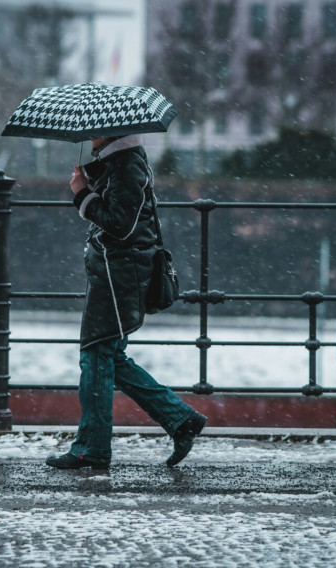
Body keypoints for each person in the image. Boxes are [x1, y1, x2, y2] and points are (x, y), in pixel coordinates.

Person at [45, 134, 207, 470]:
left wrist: (82, 194)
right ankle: (179, 420)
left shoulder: (126, 164)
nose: (89, 135)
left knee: (96, 354)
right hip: (115, 270)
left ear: (111, 131)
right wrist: (91, 181)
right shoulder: (120, 162)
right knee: (106, 356)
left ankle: (93, 448)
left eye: (94, 130)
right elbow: (120, 213)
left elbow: (120, 225)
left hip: (119, 272)